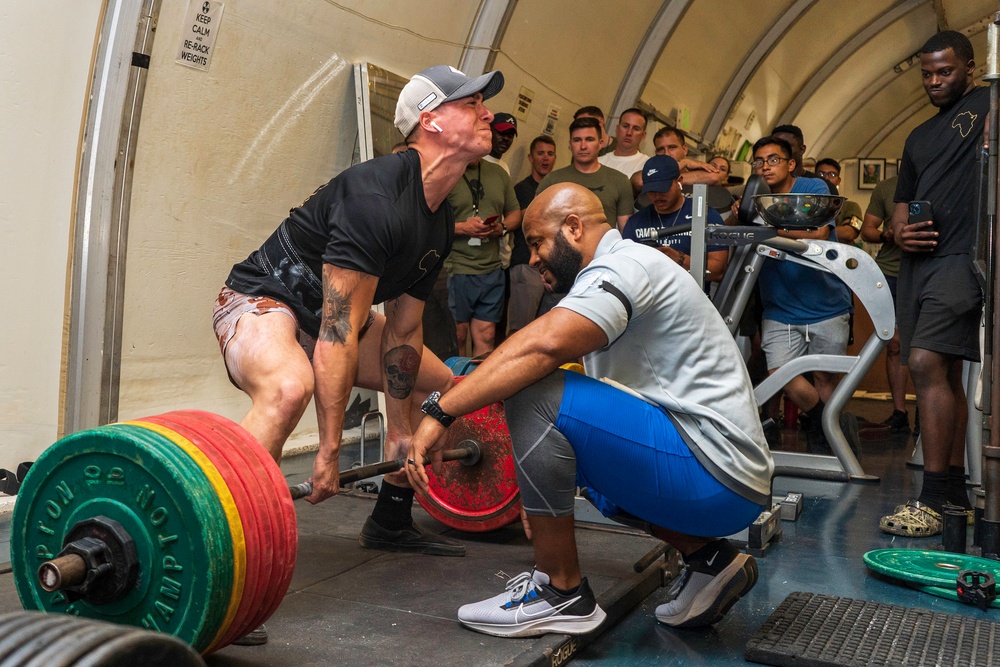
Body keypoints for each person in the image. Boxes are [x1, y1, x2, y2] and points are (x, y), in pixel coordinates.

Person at [405, 182, 772, 638]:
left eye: (537, 242)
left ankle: (559, 592)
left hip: (713, 474)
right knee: (577, 461)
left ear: (574, 227)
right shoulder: (618, 271)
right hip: (728, 482)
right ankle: (710, 560)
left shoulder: (624, 265)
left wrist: (442, 412)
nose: (533, 258)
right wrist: (539, 484)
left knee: (532, 389)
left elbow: (544, 345)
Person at [214, 65, 505, 573]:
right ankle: (220, 552)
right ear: (431, 121)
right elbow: (338, 330)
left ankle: (391, 519)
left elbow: (404, 330)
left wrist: (399, 432)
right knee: (288, 388)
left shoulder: (437, 220)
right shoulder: (376, 197)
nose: (489, 113)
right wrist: (329, 450)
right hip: (263, 301)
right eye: (472, 104)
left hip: (333, 319)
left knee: (446, 389)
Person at [880, 30, 987, 537]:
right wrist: (902, 230)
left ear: (970, 66)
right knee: (935, 368)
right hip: (918, 266)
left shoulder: (989, 103)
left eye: (945, 71)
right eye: (927, 73)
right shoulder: (917, 137)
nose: (935, 81)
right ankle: (954, 498)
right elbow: (902, 205)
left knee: (925, 363)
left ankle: (932, 499)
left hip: (963, 260)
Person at [751, 136, 854, 453]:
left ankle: (832, 449)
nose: (765, 167)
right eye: (759, 161)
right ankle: (828, 425)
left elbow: (818, 232)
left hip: (825, 304)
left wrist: (770, 232)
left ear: (790, 163)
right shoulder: (756, 198)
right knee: (779, 374)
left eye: (773, 160)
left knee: (825, 377)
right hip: (780, 307)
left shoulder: (814, 188)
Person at [444, 157, 521, 356]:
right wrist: (463, 228)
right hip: (456, 269)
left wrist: (501, 228)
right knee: (457, 336)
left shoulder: (498, 173)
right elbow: (428, 224)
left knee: (487, 336)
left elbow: (515, 214)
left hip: (491, 269)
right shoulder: (446, 172)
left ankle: (479, 385)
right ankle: (455, 385)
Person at [621, 155, 729, 286]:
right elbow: (624, 269)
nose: (656, 196)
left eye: (663, 189)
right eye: (651, 191)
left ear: (680, 181)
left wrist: (679, 258)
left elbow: (719, 271)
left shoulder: (707, 216)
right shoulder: (636, 222)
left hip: (691, 300)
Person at [859, 174, 910, 433]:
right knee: (895, 344)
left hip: (928, 272)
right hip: (890, 273)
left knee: (931, 348)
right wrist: (886, 236)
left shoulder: (942, 180)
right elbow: (867, 231)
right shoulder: (887, 188)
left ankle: (928, 410)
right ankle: (900, 412)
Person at [537, 116, 633, 230]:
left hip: (602, 247)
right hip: (560, 246)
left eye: (589, 139)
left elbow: (626, 232)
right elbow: (536, 223)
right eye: (577, 140)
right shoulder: (552, 180)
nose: (583, 146)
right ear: (570, 144)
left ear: (600, 143)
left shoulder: (619, 181)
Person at [509, 135, 556, 333]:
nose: (545, 158)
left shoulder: (555, 188)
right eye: (540, 153)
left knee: (545, 330)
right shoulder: (521, 189)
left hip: (552, 266)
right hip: (527, 265)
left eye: (550, 154)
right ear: (531, 157)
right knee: (521, 329)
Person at [651, 125, 722, 185]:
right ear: (656, 153)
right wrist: (684, 162)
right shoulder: (651, 171)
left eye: (672, 148)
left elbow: (714, 177)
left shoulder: (654, 178)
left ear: (684, 149)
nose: (666, 154)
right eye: (661, 149)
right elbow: (640, 181)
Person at [815, 158, 863, 243]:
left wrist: (812, 233)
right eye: (821, 174)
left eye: (832, 175)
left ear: (839, 180)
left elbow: (849, 233)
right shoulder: (807, 203)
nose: (826, 178)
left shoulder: (850, 206)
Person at [598, 108, 650, 179]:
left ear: (643, 135)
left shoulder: (647, 166)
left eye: (636, 128)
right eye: (625, 126)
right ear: (617, 129)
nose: (629, 133)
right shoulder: (599, 162)